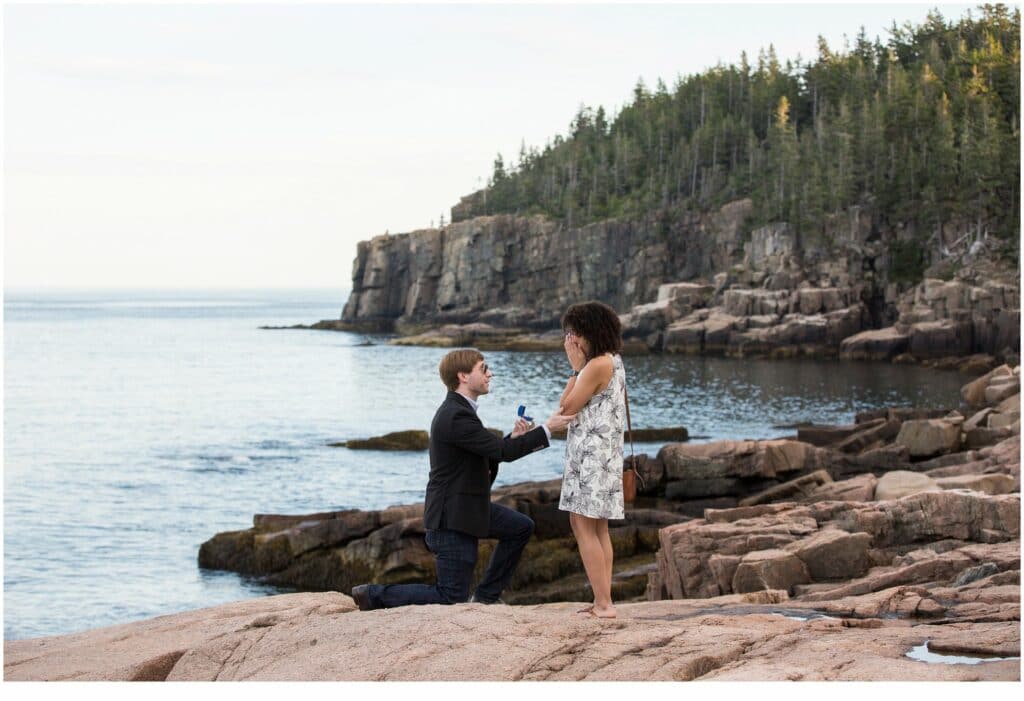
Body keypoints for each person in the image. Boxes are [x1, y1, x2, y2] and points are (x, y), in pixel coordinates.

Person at [351, 348, 576, 610]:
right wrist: (548, 429)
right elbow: (501, 453)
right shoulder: (455, 415)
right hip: (452, 520)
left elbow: (490, 452)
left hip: (467, 508)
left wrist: (513, 439)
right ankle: (373, 595)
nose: (490, 373)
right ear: (463, 376)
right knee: (449, 597)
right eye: (483, 368)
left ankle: (486, 597)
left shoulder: (461, 411)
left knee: (520, 527)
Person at [557, 301, 627, 619]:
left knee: (584, 526)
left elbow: (566, 408)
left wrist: (575, 367)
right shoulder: (614, 360)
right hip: (603, 454)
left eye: (574, 333)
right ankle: (604, 599)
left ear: (589, 333)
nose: (570, 340)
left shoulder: (596, 364)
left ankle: (603, 604)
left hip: (591, 457)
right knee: (597, 528)